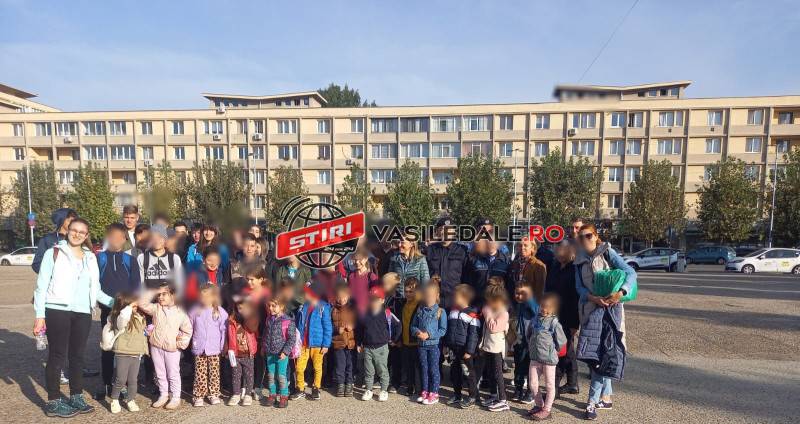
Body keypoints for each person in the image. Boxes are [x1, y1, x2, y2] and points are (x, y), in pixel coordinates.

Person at [33, 218, 114, 418]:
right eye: (74, 230)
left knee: (77, 356)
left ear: (86, 235)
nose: (77, 234)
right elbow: (41, 287)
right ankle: (53, 401)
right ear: (68, 231)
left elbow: (96, 290)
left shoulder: (90, 257)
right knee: (57, 355)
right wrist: (39, 316)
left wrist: (118, 303)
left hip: (83, 312)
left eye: (82, 232)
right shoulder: (54, 253)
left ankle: (76, 396)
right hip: (57, 310)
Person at [573, 223, 636, 421]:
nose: (585, 239)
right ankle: (606, 397)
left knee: (601, 357)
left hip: (610, 312)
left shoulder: (608, 253)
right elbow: (579, 288)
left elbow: (631, 273)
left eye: (588, 235)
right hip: (590, 312)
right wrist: (592, 297)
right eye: (581, 237)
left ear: (595, 236)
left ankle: (591, 402)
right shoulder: (579, 261)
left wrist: (621, 292)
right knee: (597, 354)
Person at [96, 223, 141, 400]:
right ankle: (106, 383)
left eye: (119, 236)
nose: (115, 239)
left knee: (125, 349)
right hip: (107, 311)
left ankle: (122, 384)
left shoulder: (130, 260)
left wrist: (132, 305)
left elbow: (136, 286)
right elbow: (94, 284)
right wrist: (109, 303)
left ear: (124, 239)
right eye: (112, 236)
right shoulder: (99, 258)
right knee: (107, 347)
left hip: (127, 311)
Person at [137, 286, 192, 410]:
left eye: (164, 294)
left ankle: (176, 397)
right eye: (159, 295)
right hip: (156, 346)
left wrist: (179, 344)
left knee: (173, 373)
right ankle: (163, 395)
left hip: (172, 349)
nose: (160, 297)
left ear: (173, 295)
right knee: (160, 373)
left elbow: (188, 330)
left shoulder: (180, 313)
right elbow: (142, 303)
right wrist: (154, 291)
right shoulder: (156, 308)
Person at [545, 239, 580, 395]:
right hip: (554, 315)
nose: (558, 253)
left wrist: (574, 324)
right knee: (567, 350)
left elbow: (576, 298)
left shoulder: (574, 269)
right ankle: (572, 383)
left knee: (563, 351)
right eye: (556, 250)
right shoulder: (554, 267)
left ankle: (555, 387)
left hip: (568, 316)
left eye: (561, 250)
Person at [526, 293, 567, 421]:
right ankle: (539, 405)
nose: (544, 309)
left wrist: (554, 351)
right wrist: (531, 346)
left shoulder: (554, 323)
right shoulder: (534, 320)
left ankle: (547, 410)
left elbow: (562, 340)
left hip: (549, 360)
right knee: (533, 384)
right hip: (535, 358)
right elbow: (529, 334)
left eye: (548, 307)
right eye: (542, 306)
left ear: (553, 309)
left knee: (549, 385)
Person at [104, 292, 147, 414]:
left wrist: (144, 349)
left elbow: (142, 335)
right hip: (122, 352)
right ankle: (114, 399)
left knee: (133, 380)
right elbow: (122, 319)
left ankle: (130, 400)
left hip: (136, 353)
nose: (135, 307)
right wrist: (129, 307)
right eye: (133, 305)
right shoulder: (119, 317)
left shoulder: (139, 316)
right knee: (121, 379)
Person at [291, 280, 332, 401]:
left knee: (317, 367)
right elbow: (298, 324)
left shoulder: (323, 307)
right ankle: (300, 388)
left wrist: (326, 344)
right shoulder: (303, 307)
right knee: (299, 367)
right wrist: (296, 340)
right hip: (303, 344)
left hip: (317, 344)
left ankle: (316, 387)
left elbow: (327, 327)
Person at [357, 286, 400, 402]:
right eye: (371, 299)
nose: (373, 302)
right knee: (368, 370)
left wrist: (394, 339)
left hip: (382, 347)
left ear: (382, 300)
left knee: (382, 370)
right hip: (367, 347)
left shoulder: (387, 313)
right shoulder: (364, 313)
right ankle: (369, 389)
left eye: (376, 299)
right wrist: (359, 343)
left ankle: (384, 390)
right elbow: (360, 329)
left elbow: (398, 325)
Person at [189, 284, 228, 407]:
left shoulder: (220, 311)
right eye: (202, 297)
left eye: (207, 297)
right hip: (199, 347)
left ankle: (214, 393)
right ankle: (199, 395)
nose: (204, 299)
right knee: (200, 373)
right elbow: (188, 327)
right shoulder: (195, 311)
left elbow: (224, 330)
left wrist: (223, 346)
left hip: (214, 348)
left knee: (214, 372)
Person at [476, 277, 510, 412]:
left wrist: (487, 313)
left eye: (489, 301)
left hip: (496, 349)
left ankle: (503, 400)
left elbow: (493, 328)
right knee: (490, 371)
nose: (487, 303)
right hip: (488, 346)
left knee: (497, 373)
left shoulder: (503, 313)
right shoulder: (493, 310)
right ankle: (493, 395)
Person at [444, 284, 480, 409]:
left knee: (468, 373)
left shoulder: (472, 314)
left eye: (456, 296)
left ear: (464, 298)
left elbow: (474, 334)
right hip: (453, 348)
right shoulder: (452, 311)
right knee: (455, 372)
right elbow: (448, 330)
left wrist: (469, 351)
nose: (453, 298)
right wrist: (446, 345)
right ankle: (457, 394)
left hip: (465, 350)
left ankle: (472, 396)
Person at [410, 282, 447, 406]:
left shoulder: (440, 312)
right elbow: (413, 326)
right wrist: (417, 332)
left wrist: (429, 334)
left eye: (431, 295)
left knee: (433, 369)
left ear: (437, 295)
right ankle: (425, 390)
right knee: (424, 368)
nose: (428, 298)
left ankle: (434, 392)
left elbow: (443, 330)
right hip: (421, 345)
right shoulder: (420, 310)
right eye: (426, 295)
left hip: (434, 346)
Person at [425, 217, 468, 307]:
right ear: (437, 232)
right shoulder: (429, 250)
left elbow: (466, 275)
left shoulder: (462, 250)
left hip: (455, 299)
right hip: (434, 299)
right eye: (442, 229)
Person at [263, 298, 296, 409]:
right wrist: (264, 347)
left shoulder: (288, 321)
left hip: (281, 354)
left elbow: (291, 339)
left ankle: (284, 396)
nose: (270, 308)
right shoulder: (269, 319)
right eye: (269, 306)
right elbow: (266, 334)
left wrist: (285, 352)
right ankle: (272, 395)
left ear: (281, 307)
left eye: (273, 306)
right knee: (271, 375)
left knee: (281, 375)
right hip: (270, 353)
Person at [226, 301, 259, 406]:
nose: (242, 310)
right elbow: (228, 335)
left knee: (249, 375)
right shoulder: (231, 320)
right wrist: (226, 349)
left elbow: (253, 328)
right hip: (235, 354)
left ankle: (248, 394)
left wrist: (246, 317)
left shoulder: (252, 317)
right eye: (240, 308)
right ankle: (236, 394)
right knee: (235, 375)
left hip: (248, 354)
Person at [138, 224, 184, 295]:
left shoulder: (174, 258)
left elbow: (179, 283)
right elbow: (140, 284)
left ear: (165, 239)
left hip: (169, 300)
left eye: (160, 237)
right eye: (153, 237)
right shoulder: (142, 258)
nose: (156, 240)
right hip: (149, 300)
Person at [511, 281, 537, 404]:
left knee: (531, 369)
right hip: (519, 341)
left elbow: (537, 312)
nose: (519, 296)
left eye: (523, 294)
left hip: (531, 342)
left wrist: (529, 300)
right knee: (519, 366)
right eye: (517, 293)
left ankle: (530, 392)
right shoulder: (516, 305)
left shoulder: (531, 304)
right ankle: (518, 389)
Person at [330, 283, 357, 397]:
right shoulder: (333, 310)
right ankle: (341, 384)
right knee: (340, 365)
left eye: (344, 297)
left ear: (348, 296)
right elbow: (329, 326)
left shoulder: (352, 309)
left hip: (350, 343)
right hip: (338, 343)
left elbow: (358, 323)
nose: (342, 299)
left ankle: (349, 383)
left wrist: (352, 326)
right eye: (339, 297)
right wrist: (337, 329)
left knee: (350, 365)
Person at [31, 207, 77, 274]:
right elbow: (37, 264)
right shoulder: (47, 239)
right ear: (61, 220)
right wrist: (53, 273)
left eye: (75, 221)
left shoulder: (78, 238)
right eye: (70, 221)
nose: (74, 224)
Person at [397, 277, 421, 398]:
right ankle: (410, 386)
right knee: (409, 366)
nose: (408, 294)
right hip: (406, 341)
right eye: (406, 291)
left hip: (416, 342)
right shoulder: (404, 304)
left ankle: (420, 388)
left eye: (411, 291)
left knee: (418, 367)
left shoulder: (420, 305)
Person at [346, 249, 379, 315]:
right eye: (355, 259)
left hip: (367, 314)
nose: (357, 262)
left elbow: (376, 298)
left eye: (360, 259)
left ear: (366, 259)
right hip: (353, 313)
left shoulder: (371, 277)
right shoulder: (350, 276)